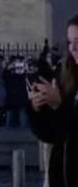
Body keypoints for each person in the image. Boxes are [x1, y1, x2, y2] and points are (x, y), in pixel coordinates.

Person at [28, 14, 78, 187]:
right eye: (71, 42)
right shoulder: (64, 75)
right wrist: (38, 108)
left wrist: (60, 105)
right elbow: (51, 135)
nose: (74, 48)